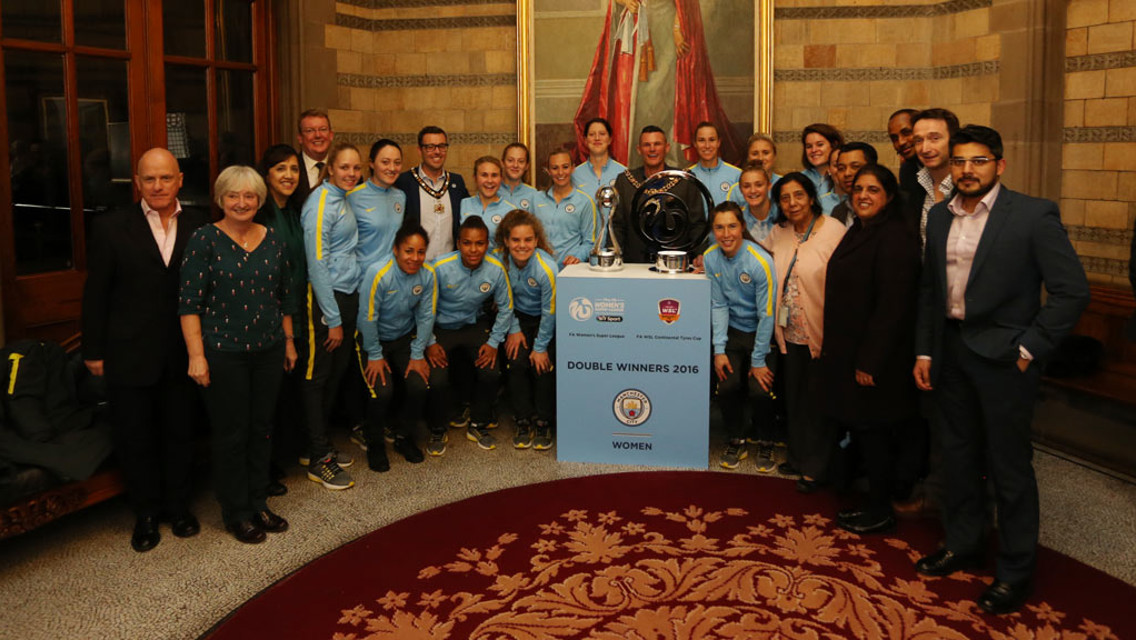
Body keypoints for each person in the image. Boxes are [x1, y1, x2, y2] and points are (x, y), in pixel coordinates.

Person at [913, 125, 1089, 614]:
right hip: (950, 355)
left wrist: (1030, 346)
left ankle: (1015, 571)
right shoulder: (941, 219)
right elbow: (931, 291)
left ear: (1000, 165)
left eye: (979, 161)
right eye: (960, 162)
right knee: (959, 458)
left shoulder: (1032, 216)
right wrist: (925, 352)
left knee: (1009, 469)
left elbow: (1072, 291)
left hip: (1006, 360)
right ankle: (963, 542)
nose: (967, 170)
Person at [82, 147, 208, 552]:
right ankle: (147, 514)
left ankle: (179, 507)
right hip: (129, 354)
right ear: (137, 183)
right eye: (149, 179)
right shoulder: (111, 228)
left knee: (180, 433)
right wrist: (93, 351)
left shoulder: (201, 227)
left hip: (183, 354)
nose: (158, 186)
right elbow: (96, 295)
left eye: (165, 178)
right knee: (136, 438)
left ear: (179, 181)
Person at [179, 166, 297, 544]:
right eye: (233, 195)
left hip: (268, 349)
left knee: (261, 429)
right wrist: (196, 356)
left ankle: (258, 502)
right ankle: (236, 511)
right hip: (223, 352)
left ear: (259, 200)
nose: (242, 203)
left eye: (249, 196)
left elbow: (284, 297)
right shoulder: (204, 240)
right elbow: (189, 305)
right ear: (220, 199)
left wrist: (289, 341)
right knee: (232, 433)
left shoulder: (273, 239)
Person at [820, 164, 921, 534]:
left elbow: (893, 308)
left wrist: (869, 361)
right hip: (851, 352)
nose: (863, 195)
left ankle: (879, 509)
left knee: (877, 436)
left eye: (873, 190)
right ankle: (871, 502)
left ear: (889, 196)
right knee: (865, 433)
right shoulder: (861, 229)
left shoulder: (895, 238)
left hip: (876, 361)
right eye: (859, 188)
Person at [573, 0, 739, 167]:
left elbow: (685, 4)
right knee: (638, 101)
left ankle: (672, 160)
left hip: (666, 27)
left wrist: (677, 27)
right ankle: (636, 161)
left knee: (666, 96)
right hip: (635, 31)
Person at [767, 173, 846, 492]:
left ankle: (817, 467)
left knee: (818, 403)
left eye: (798, 195)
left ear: (811, 197)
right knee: (795, 399)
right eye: (785, 198)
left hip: (822, 333)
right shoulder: (779, 232)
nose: (792, 203)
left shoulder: (833, 230)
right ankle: (799, 456)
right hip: (789, 334)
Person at [300, 142, 363, 490]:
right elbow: (317, 265)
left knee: (335, 373)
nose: (351, 174)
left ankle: (318, 446)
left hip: (347, 294)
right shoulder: (321, 203)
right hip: (327, 301)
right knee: (317, 377)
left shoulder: (343, 198)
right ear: (331, 169)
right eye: (344, 168)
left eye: (355, 168)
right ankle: (318, 457)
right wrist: (333, 317)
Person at [425, 216, 514, 454]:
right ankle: (437, 429)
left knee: (491, 371)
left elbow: (506, 308)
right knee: (436, 379)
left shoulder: (496, 269)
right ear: (458, 244)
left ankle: (478, 423)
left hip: (473, 324)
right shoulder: (439, 267)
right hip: (441, 328)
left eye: (479, 243)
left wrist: (494, 343)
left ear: (487, 245)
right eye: (467, 243)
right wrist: (430, 342)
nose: (473, 250)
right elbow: (423, 309)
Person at [357, 225, 438, 471]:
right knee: (382, 392)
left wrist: (417, 354)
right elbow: (367, 317)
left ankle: (404, 437)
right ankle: (375, 444)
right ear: (395, 250)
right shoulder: (378, 273)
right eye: (408, 251)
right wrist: (374, 354)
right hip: (372, 341)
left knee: (419, 384)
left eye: (421, 252)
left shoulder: (428, 275)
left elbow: (426, 316)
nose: (415, 258)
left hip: (404, 339)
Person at [704, 202, 777, 471]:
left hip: (762, 333)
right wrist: (719, 349)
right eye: (719, 227)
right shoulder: (711, 257)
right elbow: (719, 305)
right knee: (727, 385)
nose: (726, 234)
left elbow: (767, 314)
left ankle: (767, 441)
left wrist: (758, 361)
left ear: (742, 227)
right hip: (733, 332)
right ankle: (736, 438)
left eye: (732, 226)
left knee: (760, 390)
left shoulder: (760, 261)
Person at [255, 144, 307, 497]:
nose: (289, 175)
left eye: (293, 169)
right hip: (269, 317)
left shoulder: (296, 211)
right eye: (280, 169)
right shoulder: (259, 214)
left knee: (289, 390)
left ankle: (281, 456)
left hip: (298, 311)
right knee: (266, 396)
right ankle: (263, 467)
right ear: (267, 175)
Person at [498, 209, 558, 451]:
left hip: (545, 321)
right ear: (506, 241)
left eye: (528, 240)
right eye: (515, 240)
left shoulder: (547, 268)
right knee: (516, 363)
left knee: (542, 366)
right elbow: (503, 301)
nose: (522, 246)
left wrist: (540, 347)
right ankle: (523, 419)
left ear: (536, 240)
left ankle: (543, 421)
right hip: (516, 319)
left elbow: (550, 310)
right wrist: (513, 329)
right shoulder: (500, 262)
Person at [612, 125, 708, 263]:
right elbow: (617, 225)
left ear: (667, 148)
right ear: (639, 150)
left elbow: (697, 223)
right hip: (633, 264)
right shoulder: (625, 181)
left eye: (657, 144)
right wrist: (614, 256)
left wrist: (701, 253)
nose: (652, 149)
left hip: (675, 263)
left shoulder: (684, 180)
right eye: (647, 145)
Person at [395, 126, 470, 262]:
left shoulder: (456, 182)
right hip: (417, 266)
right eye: (430, 147)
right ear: (420, 150)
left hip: (450, 266)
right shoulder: (404, 182)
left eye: (442, 146)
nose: (437, 152)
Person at [349, 139, 406, 275]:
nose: (392, 168)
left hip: (392, 279)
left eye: (397, 163)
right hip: (363, 279)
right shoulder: (352, 196)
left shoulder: (401, 196)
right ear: (372, 163)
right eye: (385, 162)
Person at [534, 149, 598, 268]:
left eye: (565, 167)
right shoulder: (536, 199)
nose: (560, 172)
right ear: (548, 171)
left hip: (570, 269)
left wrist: (577, 257)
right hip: (540, 269)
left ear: (573, 168)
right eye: (555, 168)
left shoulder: (585, 202)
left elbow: (590, 241)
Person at [909, 108, 959, 248]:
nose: (925, 148)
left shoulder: (966, 185)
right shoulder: (914, 184)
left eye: (934, 138)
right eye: (918, 140)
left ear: (952, 141)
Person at [460, 156, 517, 251]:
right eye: (484, 175)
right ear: (475, 178)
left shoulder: (511, 211)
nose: (489, 181)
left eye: (494, 175)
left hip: (497, 264)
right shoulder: (464, 204)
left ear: (501, 179)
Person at [687, 121, 741, 206]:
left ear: (718, 142)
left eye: (712, 140)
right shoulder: (687, 176)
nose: (707, 145)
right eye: (701, 140)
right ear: (695, 143)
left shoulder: (737, 175)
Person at [572, 117, 627, 199]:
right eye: (592, 134)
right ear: (585, 141)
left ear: (610, 139)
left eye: (602, 134)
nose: (597, 138)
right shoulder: (575, 175)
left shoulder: (623, 173)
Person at [829, 142, 878, 227]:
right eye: (841, 168)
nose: (847, 173)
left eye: (855, 167)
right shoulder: (839, 212)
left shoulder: (895, 206)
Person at [733, 163, 778, 245]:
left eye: (759, 185)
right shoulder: (738, 221)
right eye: (746, 186)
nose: (753, 190)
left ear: (769, 186)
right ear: (740, 190)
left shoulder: (783, 216)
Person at [295, 109, 335, 201]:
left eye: (323, 129)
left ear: (331, 135)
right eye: (310, 131)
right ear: (300, 138)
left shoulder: (346, 170)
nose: (317, 135)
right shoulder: (291, 170)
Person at [501, 142, 538, 211]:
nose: (515, 165)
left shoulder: (533, 194)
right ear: (502, 163)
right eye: (510, 160)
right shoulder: (493, 191)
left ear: (527, 166)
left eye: (521, 161)